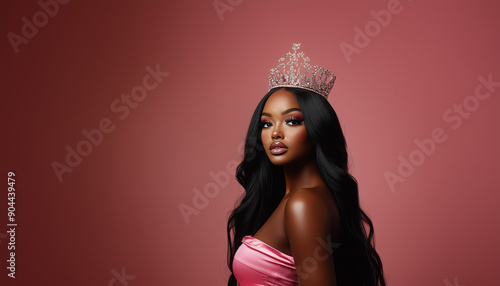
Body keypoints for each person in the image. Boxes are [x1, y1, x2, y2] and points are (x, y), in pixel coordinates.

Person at [226, 43, 385, 286]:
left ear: (317, 128)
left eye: (291, 121)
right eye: (266, 124)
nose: (275, 133)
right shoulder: (298, 200)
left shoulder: (303, 204)